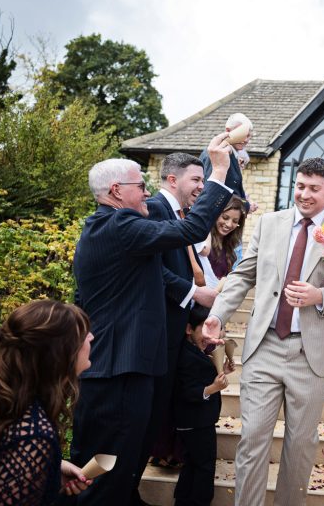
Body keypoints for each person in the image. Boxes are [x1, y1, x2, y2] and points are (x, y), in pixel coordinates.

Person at [70, 131, 235, 505]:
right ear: (116, 191)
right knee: (104, 469)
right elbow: (192, 229)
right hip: (117, 370)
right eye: (140, 186)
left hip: (118, 366)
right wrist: (218, 171)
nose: (147, 193)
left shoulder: (110, 228)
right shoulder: (118, 226)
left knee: (117, 465)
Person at [202, 157, 324, 506]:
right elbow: (243, 275)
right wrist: (218, 314)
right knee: (252, 440)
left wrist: (320, 296)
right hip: (264, 346)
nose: (304, 194)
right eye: (300, 186)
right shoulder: (269, 223)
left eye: (314, 189)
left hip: (311, 356)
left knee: (300, 445)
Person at [0, 300, 94, 504]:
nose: (91, 337)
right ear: (59, 354)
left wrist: (50, 471)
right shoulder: (33, 434)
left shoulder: (2, 405)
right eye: (82, 335)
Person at [144, 152, 220, 470]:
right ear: (173, 180)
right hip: (156, 330)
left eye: (204, 180)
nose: (201, 186)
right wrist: (193, 293)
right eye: (196, 180)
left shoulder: (177, 213)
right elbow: (152, 269)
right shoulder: (155, 209)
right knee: (148, 416)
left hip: (173, 328)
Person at [173, 305, 232, 506]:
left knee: (192, 465)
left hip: (195, 421)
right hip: (195, 422)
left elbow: (200, 376)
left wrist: (221, 370)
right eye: (204, 330)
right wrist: (213, 388)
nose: (209, 336)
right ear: (189, 329)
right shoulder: (186, 356)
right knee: (204, 467)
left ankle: (182, 502)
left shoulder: (194, 351)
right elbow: (187, 391)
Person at [198, 113, 250, 200]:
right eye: (242, 134)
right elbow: (209, 190)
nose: (245, 140)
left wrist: (246, 203)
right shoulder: (217, 154)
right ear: (228, 130)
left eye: (248, 135)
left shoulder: (234, 155)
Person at [207, 196, 247, 280]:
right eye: (225, 218)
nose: (229, 224)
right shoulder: (205, 239)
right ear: (216, 214)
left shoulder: (231, 245)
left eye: (235, 221)